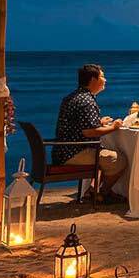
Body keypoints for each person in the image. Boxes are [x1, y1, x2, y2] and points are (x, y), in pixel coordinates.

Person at [53, 63, 126, 200]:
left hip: (62, 150)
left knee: (108, 154)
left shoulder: (74, 96)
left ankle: (93, 191)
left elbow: (80, 125)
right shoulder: (87, 101)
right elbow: (89, 132)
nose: (105, 80)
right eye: (102, 77)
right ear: (93, 79)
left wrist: (99, 122)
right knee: (119, 160)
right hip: (74, 152)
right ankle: (102, 193)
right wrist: (114, 127)